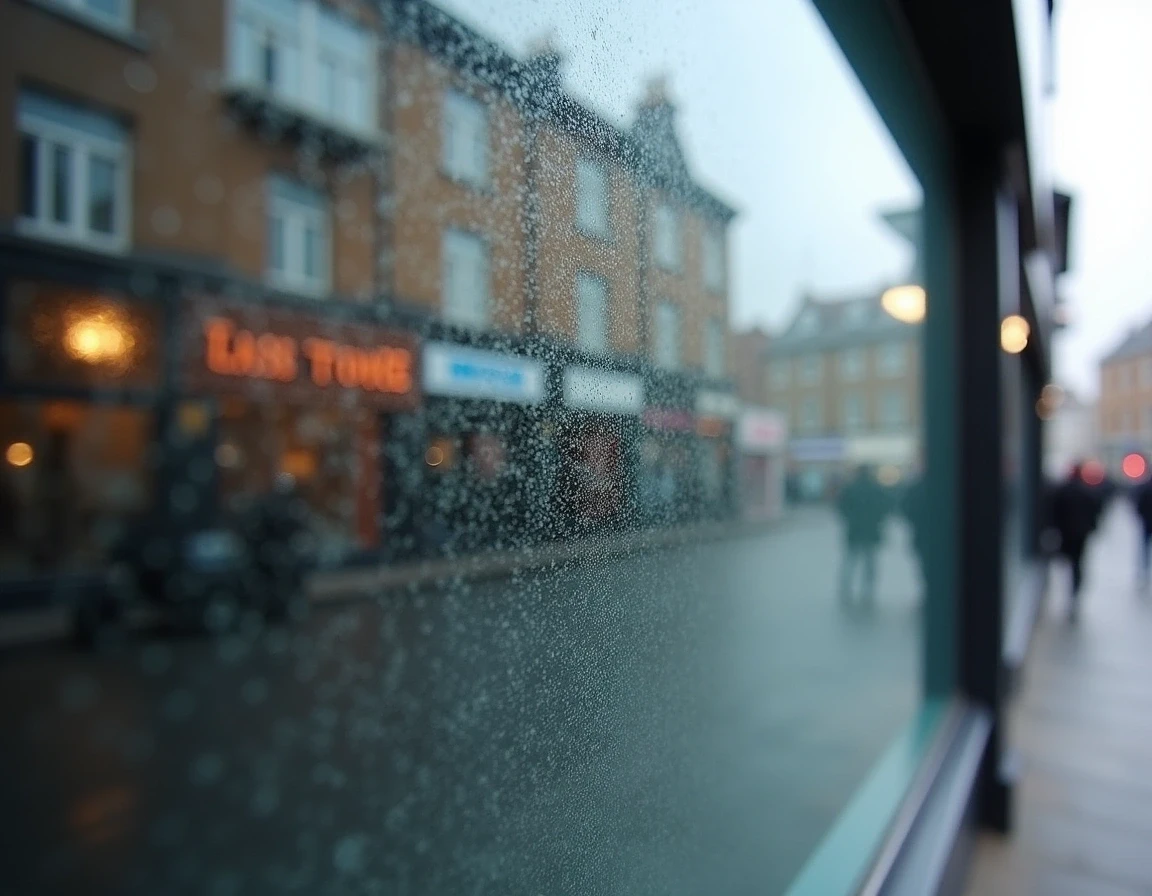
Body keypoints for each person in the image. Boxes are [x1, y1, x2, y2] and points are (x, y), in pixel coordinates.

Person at [1050, 462, 1104, 620]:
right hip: (1080, 533)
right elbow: (1094, 511)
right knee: (1077, 562)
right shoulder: (1086, 490)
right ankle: (1074, 589)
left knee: (1069, 561)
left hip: (1067, 532)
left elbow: (1054, 511)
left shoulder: (1064, 490)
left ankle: (1072, 589)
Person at [836, 464, 890, 609]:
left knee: (851, 560)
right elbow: (886, 508)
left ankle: (845, 588)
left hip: (854, 530)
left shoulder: (850, 488)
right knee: (870, 562)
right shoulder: (877, 489)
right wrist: (877, 520)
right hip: (871, 530)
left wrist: (850, 519)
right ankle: (868, 590)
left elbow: (841, 507)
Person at [1130, 465, 1152, 586]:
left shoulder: (1144, 487)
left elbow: (1138, 505)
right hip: (1147, 521)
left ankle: (1144, 570)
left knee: (1144, 549)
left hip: (1146, 522)